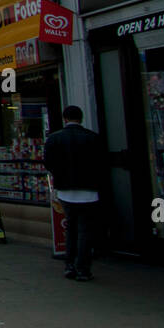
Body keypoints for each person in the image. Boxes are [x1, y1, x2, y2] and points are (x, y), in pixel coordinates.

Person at [44, 105, 104, 282]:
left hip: (65, 191)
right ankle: (83, 268)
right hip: (89, 191)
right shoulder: (93, 138)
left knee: (71, 228)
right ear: (81, 118)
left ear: (64, 119)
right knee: (85, 230)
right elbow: (101, 163)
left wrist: (60, 176)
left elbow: (48, 163)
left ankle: (69, 264)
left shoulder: (54, 139)